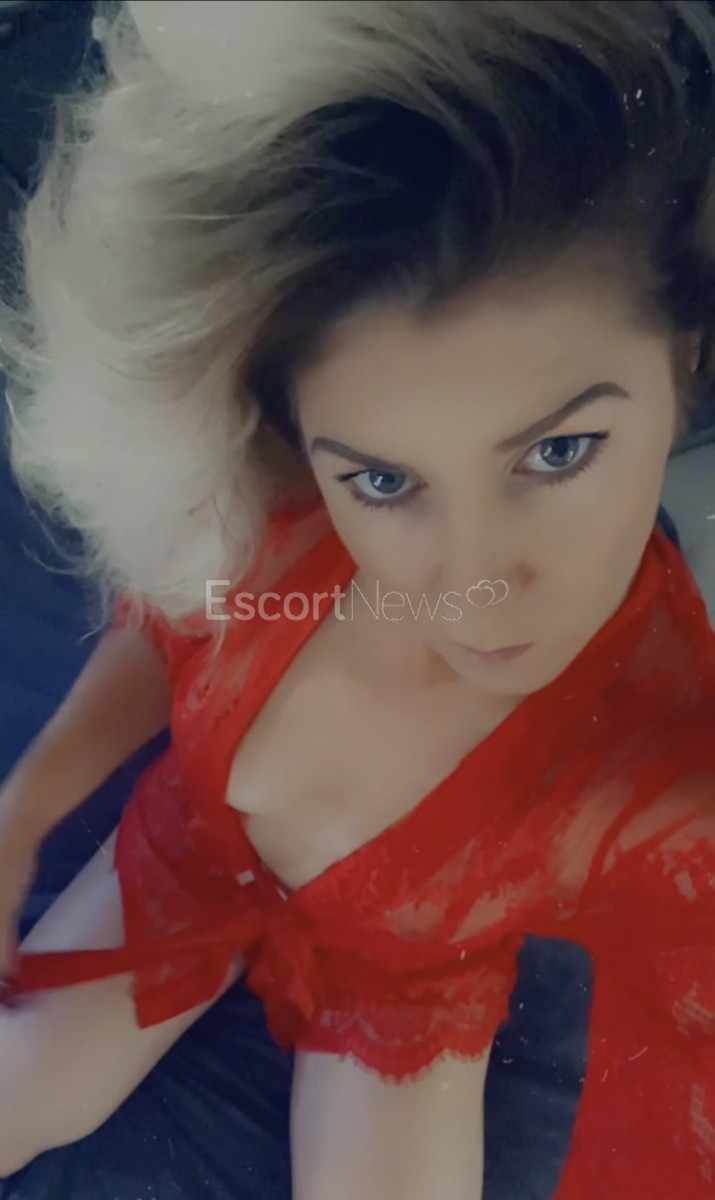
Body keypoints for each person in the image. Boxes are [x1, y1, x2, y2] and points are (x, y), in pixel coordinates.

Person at [0, 2, 714, 1197]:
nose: (472, 578)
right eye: (384, 480)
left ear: (684, 356)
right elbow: (172, 626)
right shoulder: (278, 524)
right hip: (186, 861)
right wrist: (25, 807)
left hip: (400, 994)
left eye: (557, 453)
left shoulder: (664, 756)